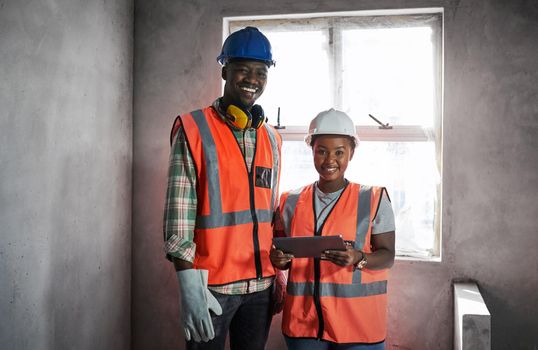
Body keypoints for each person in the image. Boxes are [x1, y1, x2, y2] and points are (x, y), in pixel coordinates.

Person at [163, 27, 282, 350]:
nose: (252, 79)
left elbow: (268, 213)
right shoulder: (193, 128)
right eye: (243, 69)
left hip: (261, 286)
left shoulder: (271, 138)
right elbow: (179, 211)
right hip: (211, 285)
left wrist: (277, 273)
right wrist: (187, 282)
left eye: (261, 72)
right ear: (225, 70)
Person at [270, 109, 395, 350]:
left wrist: (359, 258)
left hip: (359, 327)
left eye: (339, 152)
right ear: (312, 151)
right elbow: (281, 256)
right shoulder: (289, 201)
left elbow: (387, 256)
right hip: (304, 324)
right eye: (322, 151)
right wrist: (280, 260)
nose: (330, 160)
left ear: (351, 153)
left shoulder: (374, 198)